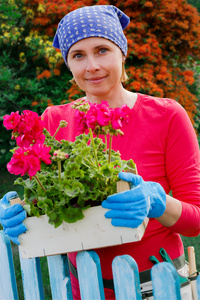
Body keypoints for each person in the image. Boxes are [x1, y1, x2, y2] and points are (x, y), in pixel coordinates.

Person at [0, 5, 200, 299]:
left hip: (161, 285)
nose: (91, 65)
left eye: (102, 50)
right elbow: (42, 207)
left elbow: (195, 219)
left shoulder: (168, 115)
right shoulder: (54, 122)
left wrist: (159, 202)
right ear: (69, 64)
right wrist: (21, 210)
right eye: (78, 55)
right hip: (85, 288)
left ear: (122, 52)